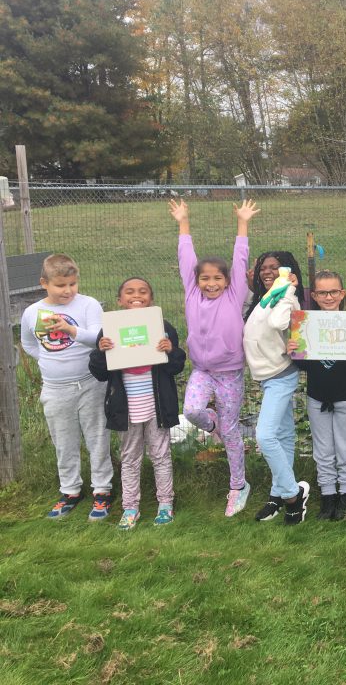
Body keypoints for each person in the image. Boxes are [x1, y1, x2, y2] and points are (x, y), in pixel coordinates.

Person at [171, 198, 258, 517]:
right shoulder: (192, 293)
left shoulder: (234, 295)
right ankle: (216, 423)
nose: (211, 283)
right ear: (196, 281)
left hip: (231, 373)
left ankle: (239, 486)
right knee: (193, 411)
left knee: (232, 433)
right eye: (205, 278)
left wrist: (243, 223)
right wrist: (183, 222)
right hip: (202, 371)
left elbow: (240, 258)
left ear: (227, 281)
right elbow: (186, 258)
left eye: (217, 279)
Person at [89, 278, 186, 529]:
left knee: (161, 456)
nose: (137, 295)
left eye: (143, 292)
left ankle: (166, 504)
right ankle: (130, 508)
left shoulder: (162, 327)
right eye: (130, 292)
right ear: (120, 300)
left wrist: (170, 351)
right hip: (126, 409)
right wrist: (101, 352)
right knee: (130, 458)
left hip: (157, 407)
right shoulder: (109, 330)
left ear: (151, 299)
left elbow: (177, 366)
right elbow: (99, 372)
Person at [21, 254, 111, 520]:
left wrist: (70, 330)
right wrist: (52, 361)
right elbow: (28, 345)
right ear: (44, 283)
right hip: (55, 388)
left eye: (72, 284)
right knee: (64, 440)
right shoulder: (32, 312)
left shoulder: (88, 305)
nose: (68, 290)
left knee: (97, 437)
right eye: (61, 285)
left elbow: (98, 338)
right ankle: (70, 490)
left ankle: (102, 490)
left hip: (90, 383)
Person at [288, 270, 346, 521]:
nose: (329, 296)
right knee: (323, 450)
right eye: (322, 292)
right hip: (317, 397)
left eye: (334, 291)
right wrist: (293, 351)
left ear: (342, 293)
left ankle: (345, 495)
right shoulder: (305, 324)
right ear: (314, 296)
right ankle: (327, 496)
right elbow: (304, 366)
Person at [244, 260, 309, 525]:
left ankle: (294, 494)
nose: (268, 273)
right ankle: (278, 494)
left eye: (276, 268)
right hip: (267, 376)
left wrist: (290, 290)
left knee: (265, 435)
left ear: (290, 273)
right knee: (282, 436)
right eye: (264, 268)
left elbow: (278, 322)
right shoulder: (268, 297)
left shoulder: (287, 299)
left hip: (281, 376)